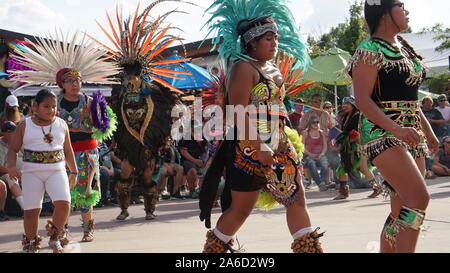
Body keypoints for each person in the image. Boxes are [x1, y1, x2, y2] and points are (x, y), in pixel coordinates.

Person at [200, 0, 323, 253]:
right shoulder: (243, 67)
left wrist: (286, 138)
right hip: (250, 149)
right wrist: (259, 145)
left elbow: (277, 108)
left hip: (279, 144)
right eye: (268, 38)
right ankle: (212, 252)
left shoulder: (274, 70)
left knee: (296, 199)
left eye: (276, 37)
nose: (275, 42)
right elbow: (237, 112)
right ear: (251, 42)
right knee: (241, 209)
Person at [347, 0, 439, 253]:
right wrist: (396, 129)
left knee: (402, 208)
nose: (407, 11)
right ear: (385, 13)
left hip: (411, 133)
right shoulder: (369, 49)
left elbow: (409, 98)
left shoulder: (405, 48)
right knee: (418, 198)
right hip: (381, 132)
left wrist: (428, 131)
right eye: (401, 6)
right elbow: (363, 100)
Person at [9, 31, 118, 243]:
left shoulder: (90, 102)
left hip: (85, 152)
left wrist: (102, 119)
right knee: (61, 196)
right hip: (56, 156)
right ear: (62, 84)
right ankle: (61, 231)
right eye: (70, 81)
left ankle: (88, 228)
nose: (75, 84)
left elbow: (106, 126)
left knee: (85, 192)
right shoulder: (52, 104)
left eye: (77, 80)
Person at [91, 2, 188, 221]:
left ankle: (149, 210)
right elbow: (111, 114)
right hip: (127, 142)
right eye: (127, 75)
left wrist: (169, 130)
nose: (131, 79)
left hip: (147, 143)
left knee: (146, 176)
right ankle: (124, 209)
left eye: (134, 74)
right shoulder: (119, 93)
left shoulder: (153, 92)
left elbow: (171, 105)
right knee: (125, 172)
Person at [7, 89, 77, 253]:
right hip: (32, 173)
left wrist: (74, 172)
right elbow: (13, 150)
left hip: (57, 170)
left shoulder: (61, 124)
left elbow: (68, 150)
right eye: (46, 106)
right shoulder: (25, 124)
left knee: (64, 204)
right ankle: (31, 243)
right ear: (35, 106)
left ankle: (55, 238)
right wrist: (11, 167)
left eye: (54, 106)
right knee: (31, 211)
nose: (51, 110)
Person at [331, 97, 379, 200]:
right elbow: (346, 131)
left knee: (359, 168)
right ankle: (344, 192)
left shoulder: (358, 116)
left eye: (347, 104)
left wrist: (352, 139)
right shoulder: (346, 116)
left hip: (357, 147)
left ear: (353, 105)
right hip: (348, 147)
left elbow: (361, 131)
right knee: (346, 167)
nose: (344, 106)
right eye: (343, 104)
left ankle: (376, 188)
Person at [0, 121, 24, 210]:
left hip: (22, 171)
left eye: (14, 132)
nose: (12, 134)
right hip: (6, 173)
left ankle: (45, 206)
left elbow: (29, 157)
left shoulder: (20, 141)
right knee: (11, 177)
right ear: (3, 133)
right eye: (9, 132)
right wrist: (13, 171)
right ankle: (24, 208)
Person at [301, 116, 329, 192]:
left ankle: (323, 182)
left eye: (317, 122)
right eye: (313, 122)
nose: (316, 124)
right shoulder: (305, 133)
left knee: (325, 163)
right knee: (311, 163)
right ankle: (320, 184)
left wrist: (321, 154)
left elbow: (325, 146)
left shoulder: (322, 133)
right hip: (309, 154)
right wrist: (311, 154)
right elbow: (302, 147)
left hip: (320, 154)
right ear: (310, 124)